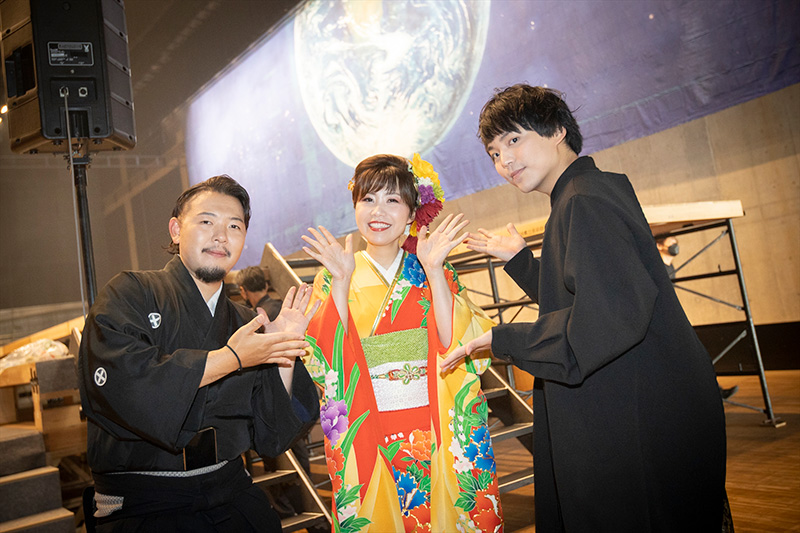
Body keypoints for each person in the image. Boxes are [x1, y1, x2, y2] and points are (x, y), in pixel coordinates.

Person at [441, 85, 728, 531]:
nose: (504, 161)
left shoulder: (583, 201)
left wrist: (502, 338)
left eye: (514, 140)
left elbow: (603, 321)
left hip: (639, 415)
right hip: (642, 401)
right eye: (494, 153)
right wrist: (521, 261)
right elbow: (586, 295)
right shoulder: (581, 194)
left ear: (558, 130)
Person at [78, 175, 320, 532]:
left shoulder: (245, 320)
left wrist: (282, 351)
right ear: (176, 230)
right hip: (148, 505)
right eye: (207, 222)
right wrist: (232, 358)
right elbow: (125, 384)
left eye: (234, 226)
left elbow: (273, 435)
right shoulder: (130, 293)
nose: (221, 236)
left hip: (230, 492)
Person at [301, 154, 503, 532]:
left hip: (432, 417)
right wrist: (341, 282)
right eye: (368, 199)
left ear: (412, 213)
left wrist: (434, 271)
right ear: (355, 207)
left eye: (392, 200)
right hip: (369, 420)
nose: (378, 211)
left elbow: (457, 345)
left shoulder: (431, 266)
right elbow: (329, 359)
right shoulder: (335, 274)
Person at [656, 236, 739, 400]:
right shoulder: (657, 267)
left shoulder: (671, 267)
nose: (675, 245)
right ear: (659, 246)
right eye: (671, 242)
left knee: (694, 358)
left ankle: (714, 392)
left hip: (671, 320)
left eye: (676, 243)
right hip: (663, 321)